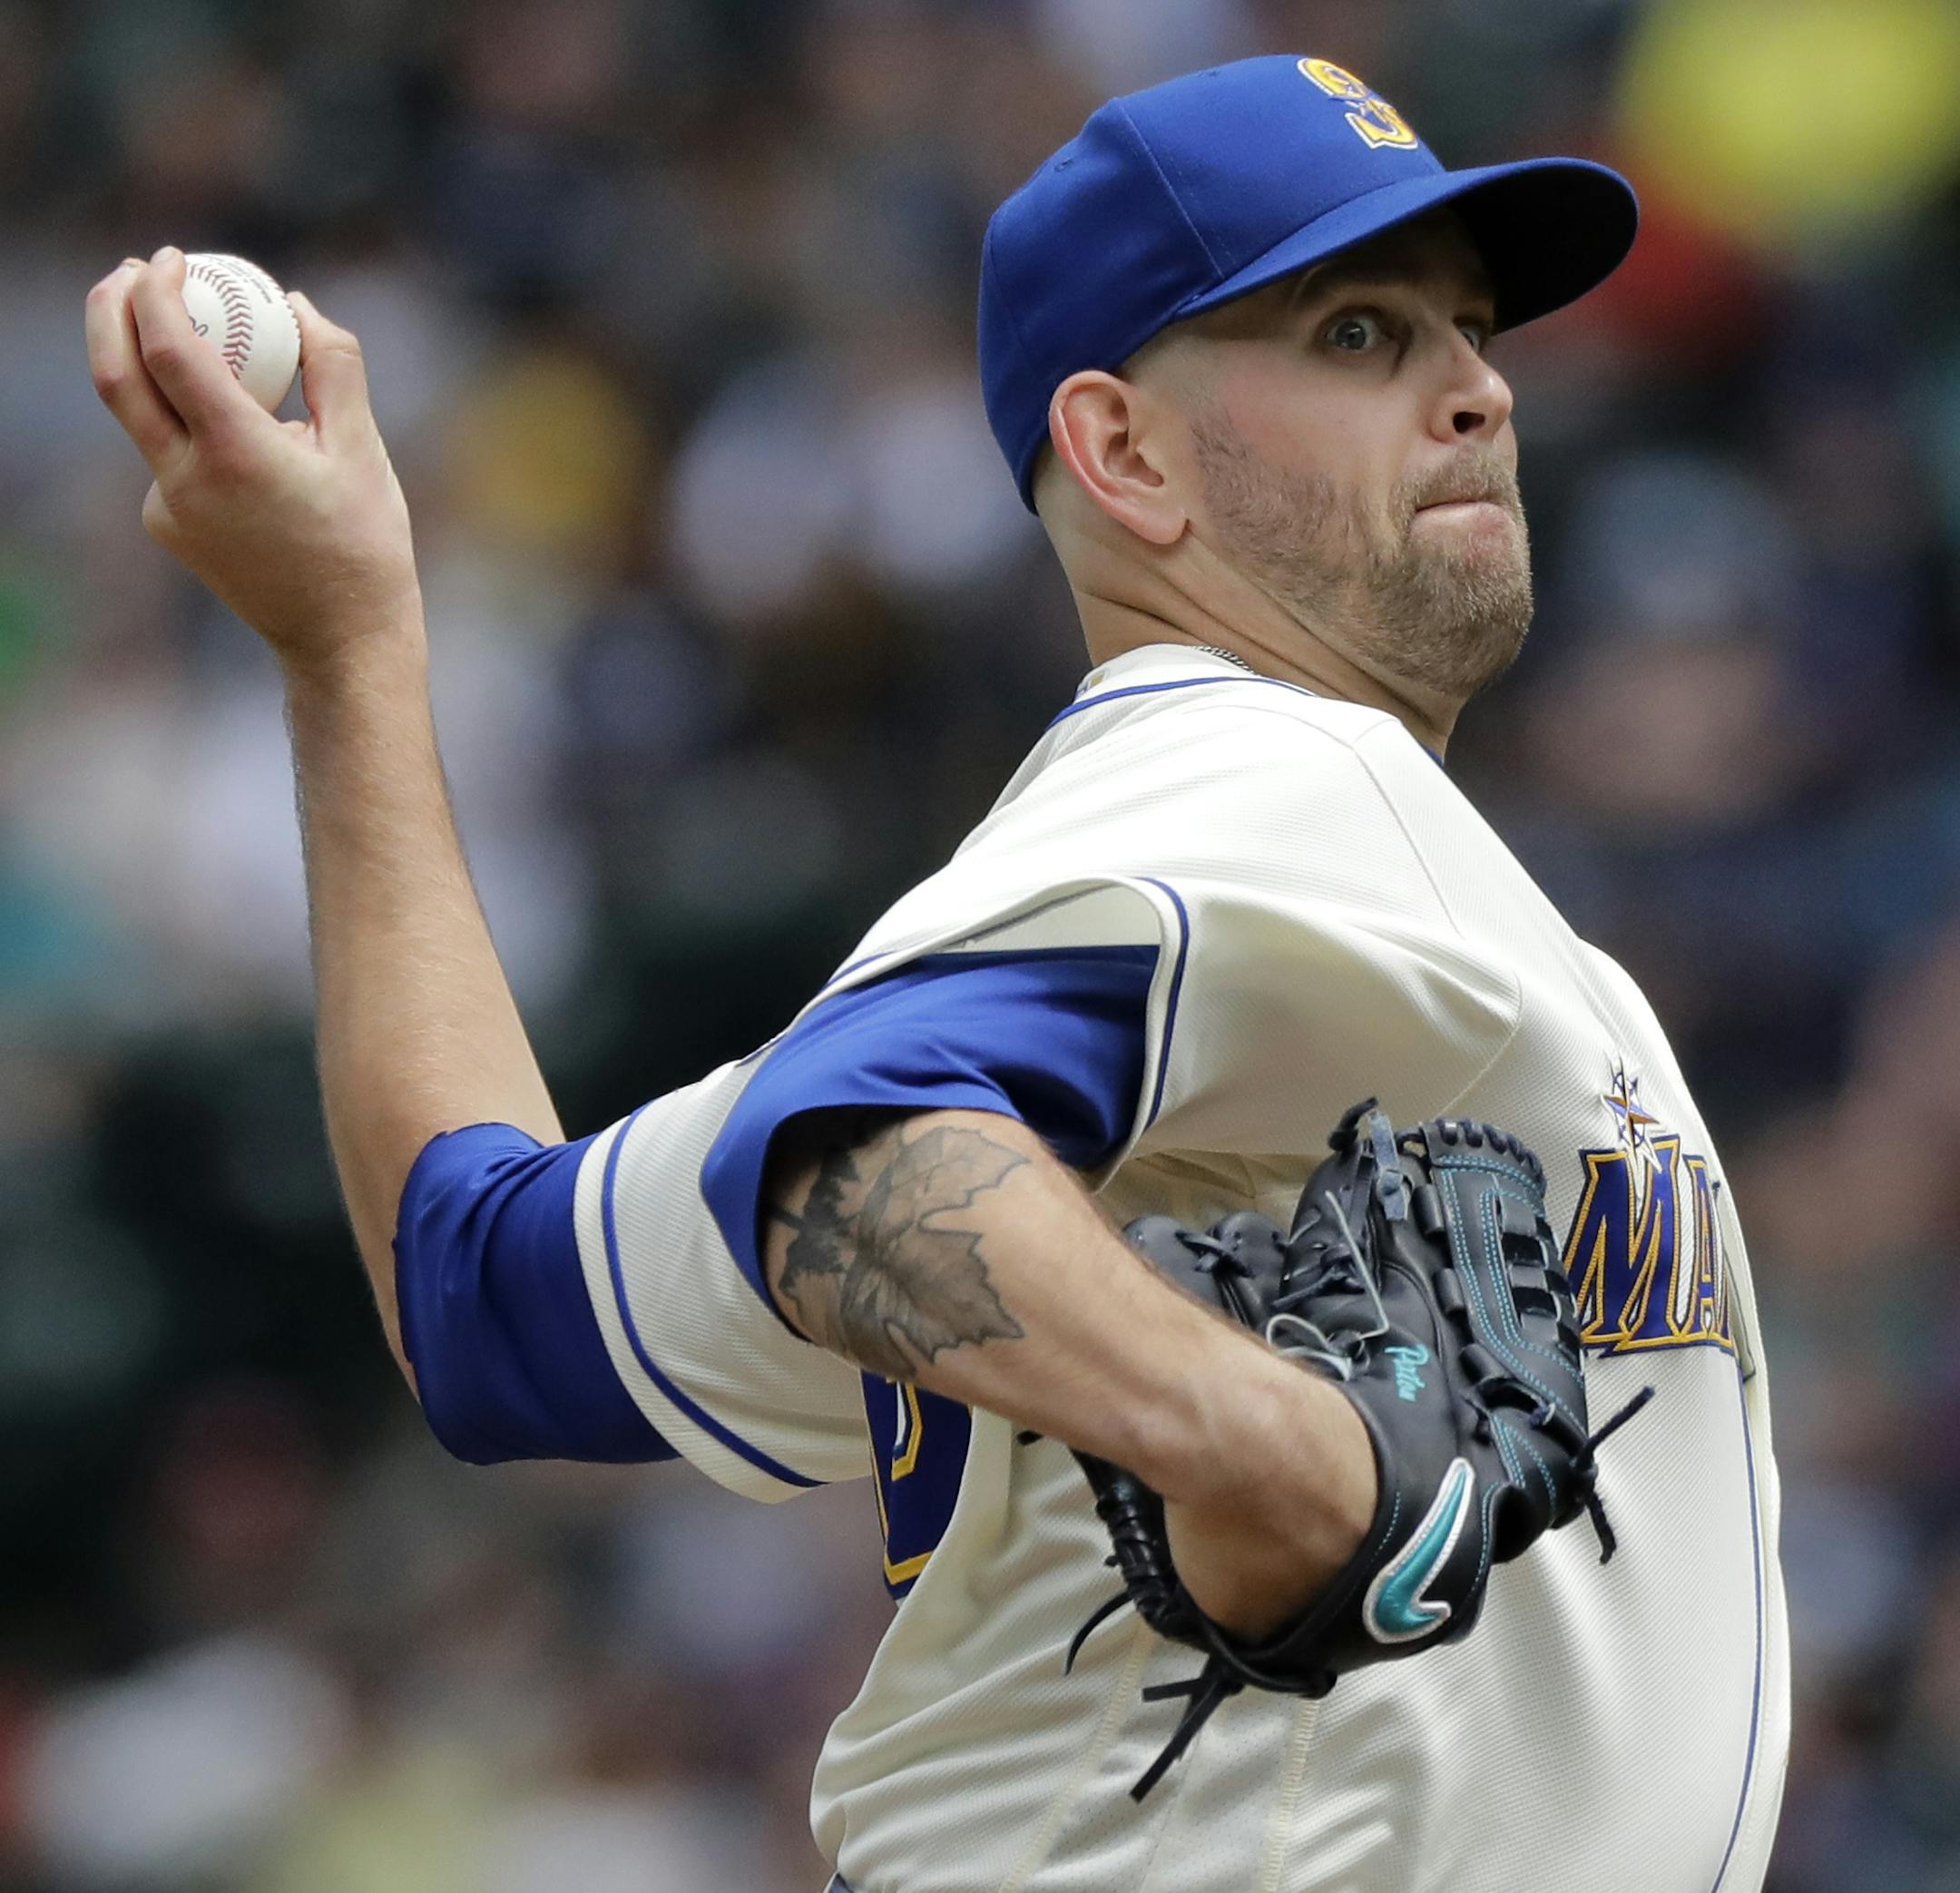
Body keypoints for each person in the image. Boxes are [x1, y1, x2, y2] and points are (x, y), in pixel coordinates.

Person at [83, 53, 1787, 1893]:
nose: (1477, 388)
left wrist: (349, 643)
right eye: (1362, 334)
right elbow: (869, 1142)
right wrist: (1250, 1428)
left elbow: (487, 1287)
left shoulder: (1245, 885)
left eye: (1471, 326)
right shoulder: (1258, 774)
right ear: (1125, 451)